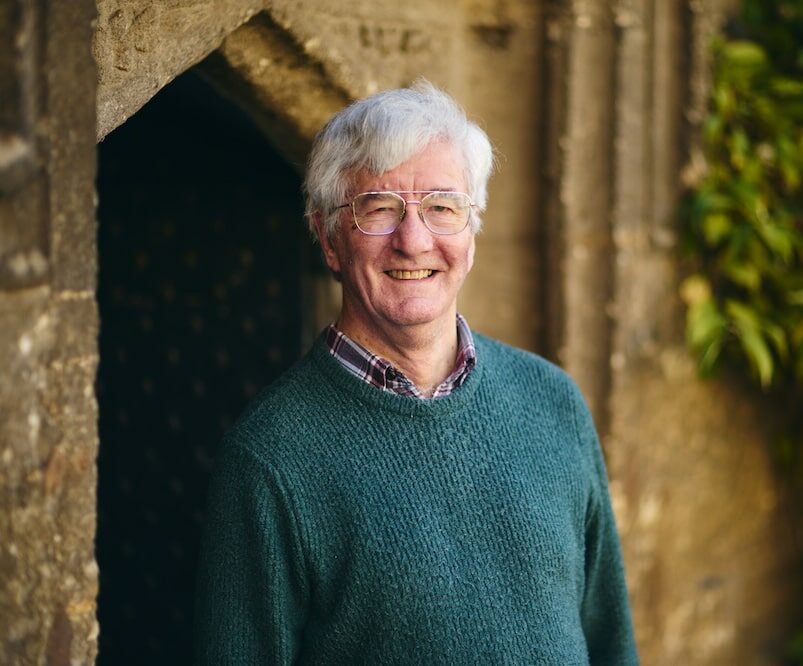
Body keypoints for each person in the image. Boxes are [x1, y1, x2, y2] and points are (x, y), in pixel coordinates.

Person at [196, 80, 638, 665]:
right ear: (329, 238)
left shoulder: (553, 400)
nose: (414, 240)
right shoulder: (268, 460)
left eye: (442, 207)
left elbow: (610, 643)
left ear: (471, 229)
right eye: (378, 209)